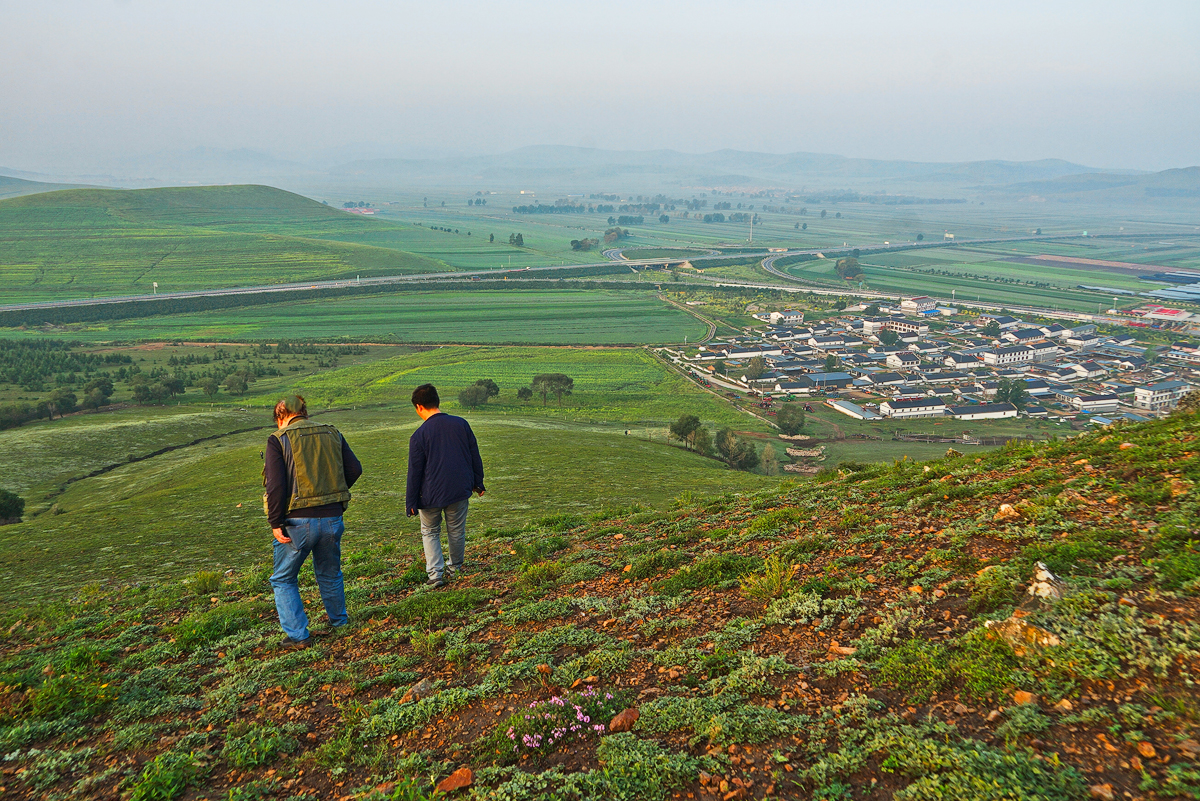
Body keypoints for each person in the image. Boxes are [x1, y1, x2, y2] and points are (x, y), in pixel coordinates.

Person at [263, 395, 362, 648]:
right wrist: (334, 493)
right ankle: (339, 622)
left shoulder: (278, 440)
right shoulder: (332, 432)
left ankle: (298, 636)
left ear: (281, 416)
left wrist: (275, 521)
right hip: (332, 517)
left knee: (283, 579)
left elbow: (275, 486)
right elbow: (354, 469)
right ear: (304, 412)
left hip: (297, 523)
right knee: (329, 573)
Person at [406, 384, 485, 588]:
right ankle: (455, 568)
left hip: (429, 495)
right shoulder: (461, 424)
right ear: (437, 401)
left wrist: (411, 502)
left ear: (419, 406)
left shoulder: (419, 436)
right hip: (459, 490)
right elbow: (474, 456)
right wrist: (478, 482)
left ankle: (435, 575)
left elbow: (414, 473)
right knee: (456, 530)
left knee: (430, 531)